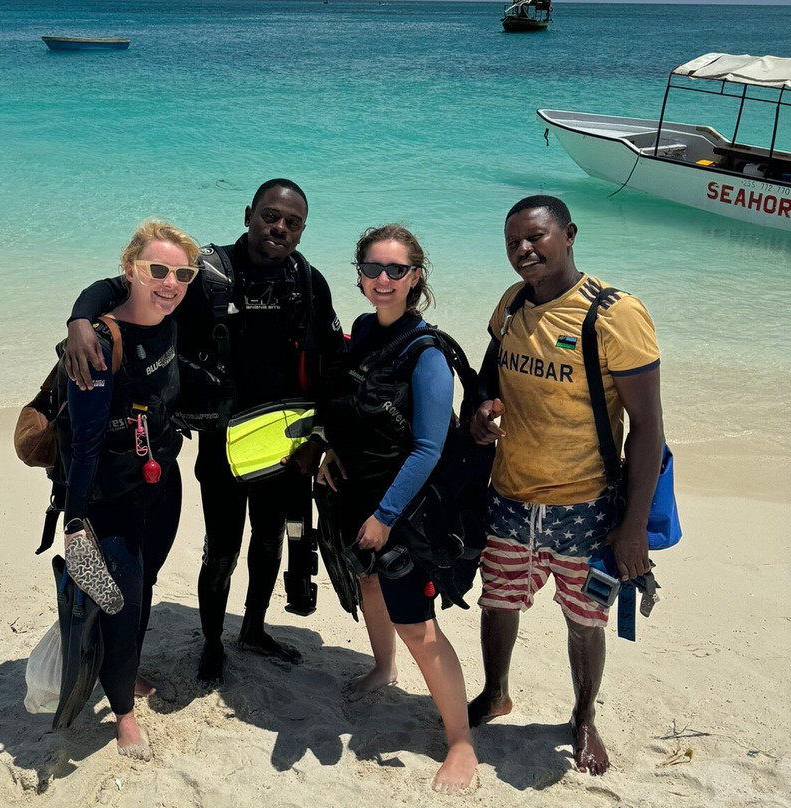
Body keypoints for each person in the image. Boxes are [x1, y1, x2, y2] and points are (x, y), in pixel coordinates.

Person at [63, 179, 345, 687]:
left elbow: (332, 361)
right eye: (269, 216)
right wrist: (81, 317)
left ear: (302, 231)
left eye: (292, 222)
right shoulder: (210, 275)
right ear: (248, 214)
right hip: (221, 440)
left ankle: (254, 629)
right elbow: (127, 287)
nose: (279, 227)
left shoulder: (308, 281)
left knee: (269, 543)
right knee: (222, 548)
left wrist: (320, 437)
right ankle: (213, 642)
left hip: (286, 445)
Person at [467, 195, 664, 775]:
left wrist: (633, 531)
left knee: (584, 617)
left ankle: (583, 717)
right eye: (512, 243)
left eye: (535, 237)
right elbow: (488, 373)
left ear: (569, 234)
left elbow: (649, 430)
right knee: (499, 600)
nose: (523, 250)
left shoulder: (613, 314)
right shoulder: (511, 306)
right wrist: (480, 411)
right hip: (510, 494)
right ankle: (496, 690)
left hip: (586, 503)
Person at [316, 224, 478, 793]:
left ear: (416, 277)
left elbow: (430, 448)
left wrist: (385, 516)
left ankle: (460, 741)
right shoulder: (362, 330)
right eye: (373, 269)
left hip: (405, 508)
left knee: (418, 625)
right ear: (359, 276)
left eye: (396, 271)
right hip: (358, 494)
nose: (383, 280)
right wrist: (330, 451)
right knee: (368, 588)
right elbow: (349, 409)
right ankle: (382, 669)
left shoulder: (427, 352)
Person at [60, 218, 199, 758]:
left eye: (180, 273)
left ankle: (124, 674)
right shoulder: (96, 345)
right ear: (130, 271)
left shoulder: (169, 314)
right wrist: (75, 524)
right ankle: (124, 716)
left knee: (145, 588)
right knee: (121, 602)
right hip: (111, 499)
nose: (169, 282)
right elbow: (85, 445)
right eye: (156, 270)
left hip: (162, 482)